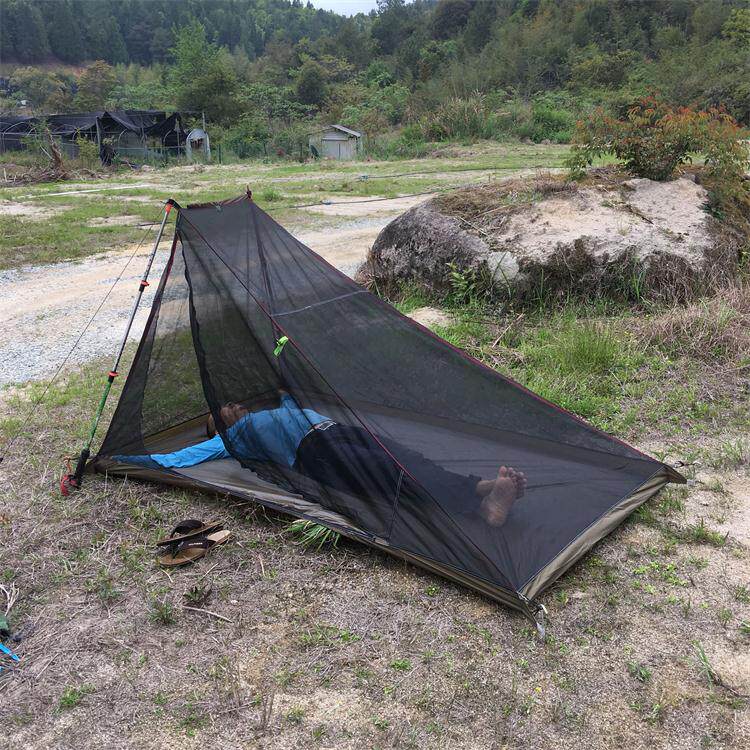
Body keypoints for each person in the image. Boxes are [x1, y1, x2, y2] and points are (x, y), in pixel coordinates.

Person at [118, 392, 526, 528]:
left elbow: (289, 392)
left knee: (406, 456)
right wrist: (118, 459)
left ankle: (477, 487)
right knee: (389, 473)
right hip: (314, 453)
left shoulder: (272, 410)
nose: (230, 405)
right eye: (222, 411)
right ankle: (481, 506)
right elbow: (178, 457)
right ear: (220, 428)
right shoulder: (231, 440)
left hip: (336, 429)